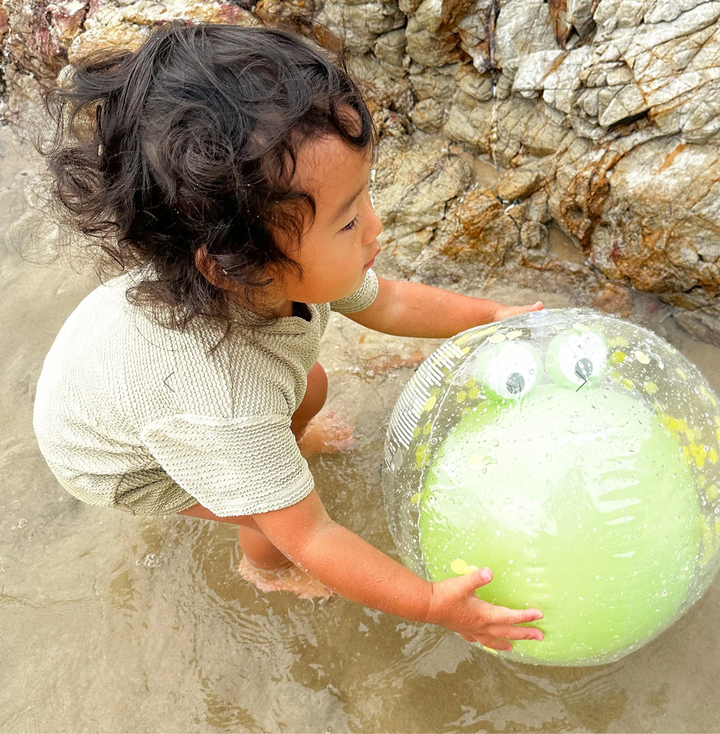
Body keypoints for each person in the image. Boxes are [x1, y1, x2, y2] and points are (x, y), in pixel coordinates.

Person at [33, 21, 545, 652]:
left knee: (315, 382)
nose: (376, 230)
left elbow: (390, 301)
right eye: (350, 219)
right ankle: (263, 572)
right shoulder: (224, 407)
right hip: (114, 457)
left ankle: (286, 457)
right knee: (269, 517)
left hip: (116, 379)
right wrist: (432, 603)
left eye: (365, 199)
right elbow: (315, 536)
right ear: (241, 267)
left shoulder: (268, 269)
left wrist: (489, 317)